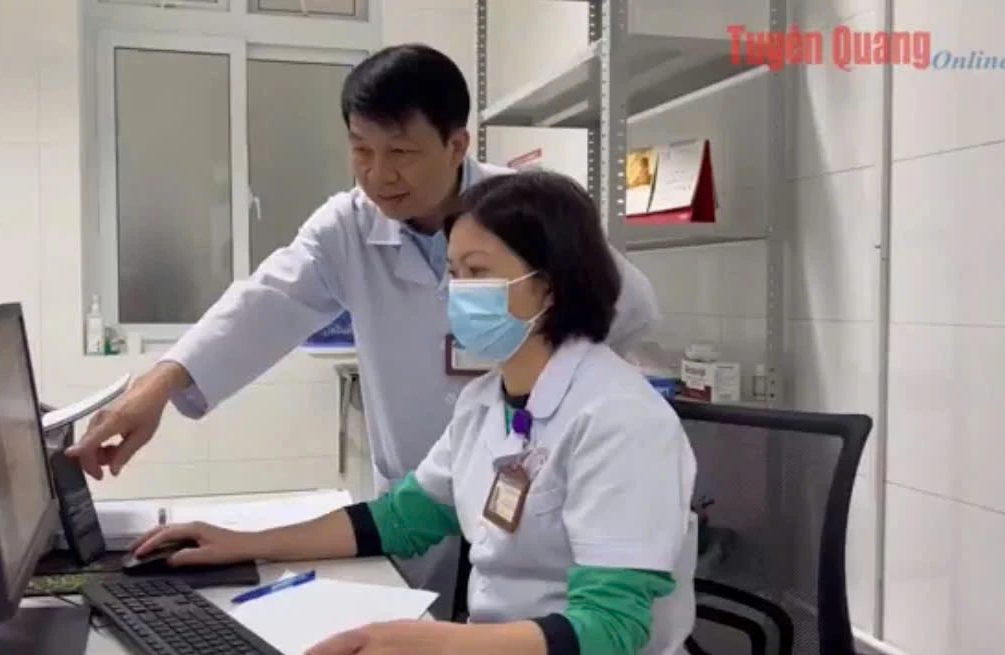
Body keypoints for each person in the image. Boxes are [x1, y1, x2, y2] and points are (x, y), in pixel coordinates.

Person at [65, 43, 663, 616]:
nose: (378, 175)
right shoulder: (350, 229)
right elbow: (264, 301)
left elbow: (624, 306)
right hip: (426, 494)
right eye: (360, 150)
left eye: (401, 152)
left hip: (539, 490)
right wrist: (161, 383)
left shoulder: (527, 217)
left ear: (456, 144)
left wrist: (549, 395)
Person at [130, 170, 698, 655]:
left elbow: (611, 630)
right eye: (454, 272)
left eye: (477, 272)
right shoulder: (485, 403)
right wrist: (241, 544)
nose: (456, 292)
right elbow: (403, 518)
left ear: (548, 288)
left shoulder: (620, 420)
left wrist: (433, 644)